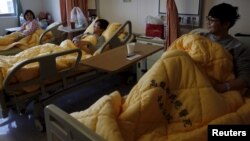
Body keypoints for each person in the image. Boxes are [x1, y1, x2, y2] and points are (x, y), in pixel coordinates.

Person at [200, 3, 250, 93]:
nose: (208, 23)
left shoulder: (238, 47)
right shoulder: (199, 37)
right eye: (208, 18)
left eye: (212, 20)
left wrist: (224, 87)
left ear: (226, 24)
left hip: (218, 87)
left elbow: (245, 79)